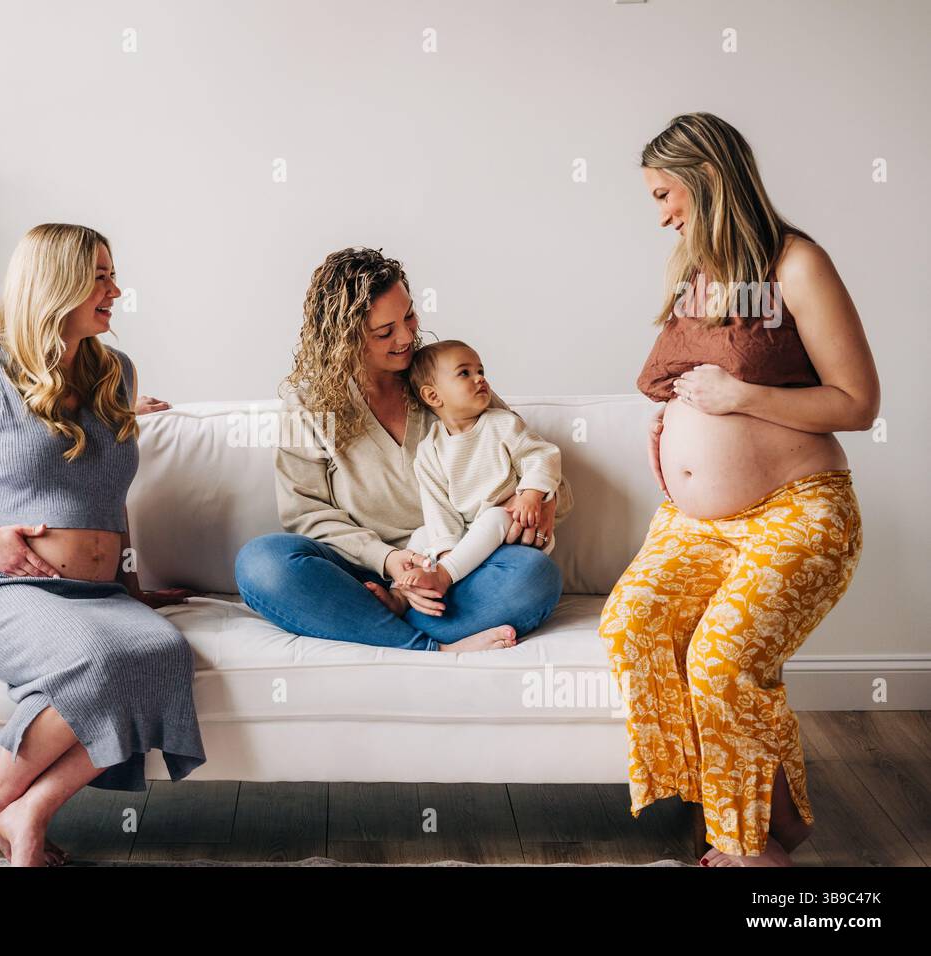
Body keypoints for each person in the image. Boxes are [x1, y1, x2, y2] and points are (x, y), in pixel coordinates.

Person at [599, 112, 879, 866]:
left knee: (722, 662)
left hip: (796, 508)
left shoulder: (797, 265)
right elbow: (690, 377)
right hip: (694, 524)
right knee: (632, 626)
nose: (661, 215)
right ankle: (766, 815)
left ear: (708, 179)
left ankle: (751, 844)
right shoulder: (697, 275)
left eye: (665, 194)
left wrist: (739, 398)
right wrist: (673, 420)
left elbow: (858, 403)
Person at [0, 223, 205, 866]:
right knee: (98, 663)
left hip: (95, 593)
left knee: (163, 652)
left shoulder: (117, 373)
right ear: (57, 283)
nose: (116, 291)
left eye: (113, 276)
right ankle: (3, 800)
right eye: (99, 278)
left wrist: (131, 586)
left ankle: (20, 806)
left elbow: (109, 495)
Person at [235, 247, 571, 653]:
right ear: (344, 339)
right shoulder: (307, 408)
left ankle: (377, 627)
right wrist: (388, 561)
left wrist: (543, 500)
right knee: (262, 563)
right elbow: (304, 514)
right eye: (384, 332)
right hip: (360, 577)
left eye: (409, 316)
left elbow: (538, 466)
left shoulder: (443, 381)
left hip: (457, 573)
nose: (407, 337)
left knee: (534, 574)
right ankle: (432, 647)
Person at [388, 341, 563, 642]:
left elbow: (542, 455)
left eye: (480, 370)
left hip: (512, 530)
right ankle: (400, 596)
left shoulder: (503, 425)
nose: (480, 378)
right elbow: (438, 509)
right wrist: (445, 550)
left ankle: (444, 576)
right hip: (465, 537)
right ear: (432, 396)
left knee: (496, 516)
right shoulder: (429, 451)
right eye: (465, 373)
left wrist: (532, 494)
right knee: (422, 535)